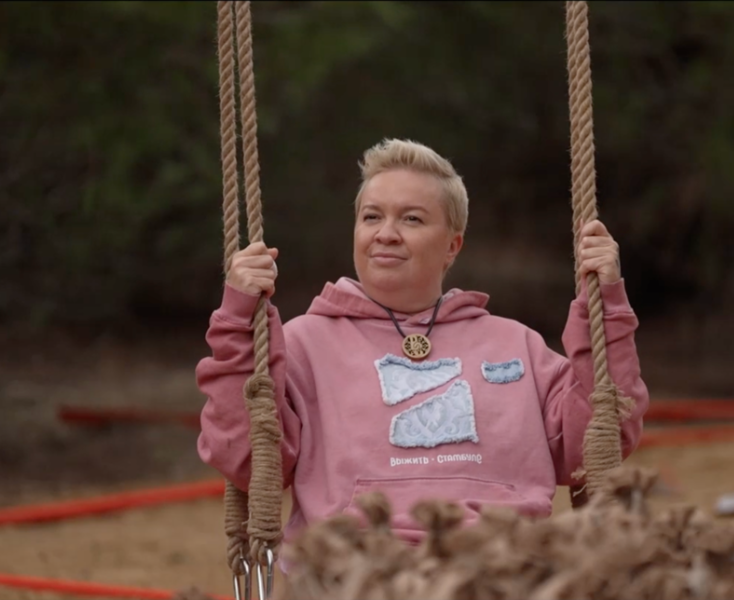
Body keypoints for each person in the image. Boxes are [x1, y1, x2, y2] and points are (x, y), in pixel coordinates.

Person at [195, 138, 649, 548]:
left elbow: (595, 445)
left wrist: (605, 303)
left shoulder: (517, 345)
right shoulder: (303, 345)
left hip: (501, 567)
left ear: (453, 246)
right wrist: (238, 316)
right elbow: (248, 459)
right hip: (356, 569)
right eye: (372, 216)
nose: (386, 233)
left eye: (411, 218)